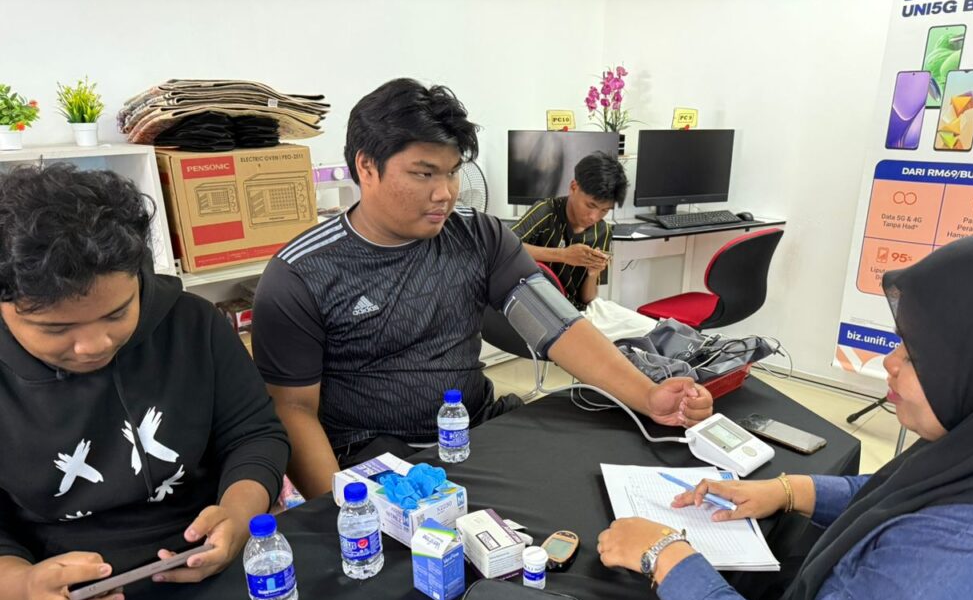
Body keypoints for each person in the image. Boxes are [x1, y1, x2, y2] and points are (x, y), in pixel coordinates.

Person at [597, 228, 973, 600]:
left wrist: (667, 555)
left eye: (916, 355)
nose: (890, 363)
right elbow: (901, 494)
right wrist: (790, 490)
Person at [253, 78, 713, 500]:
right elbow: (293, 409)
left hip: (473, 429)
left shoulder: (479, 235)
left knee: (594, 485)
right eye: (424, 173)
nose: (445, 193)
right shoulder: (301, 274)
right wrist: (338, 509)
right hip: (375, 454)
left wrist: (648, 395)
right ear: (366, 167)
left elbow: (560, 327)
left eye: (452, 172)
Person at [0, 165, 290, 600]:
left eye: (117, 313)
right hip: (56, 596)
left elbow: (254, 435)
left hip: (212, 559)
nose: (94, 345)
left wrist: (239, 516)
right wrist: (21, 590)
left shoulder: (193, 324)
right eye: (56, 329)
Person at [509, 151, 626, 310]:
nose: (594, 217)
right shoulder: (546, 211)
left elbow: (587, 299)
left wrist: (593, 274)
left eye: (604, 210)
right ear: (573, 187)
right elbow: (506, 247)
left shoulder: (602, 231)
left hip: (575, 311)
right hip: (537, 305)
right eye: (590, 205)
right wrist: (563, 255)